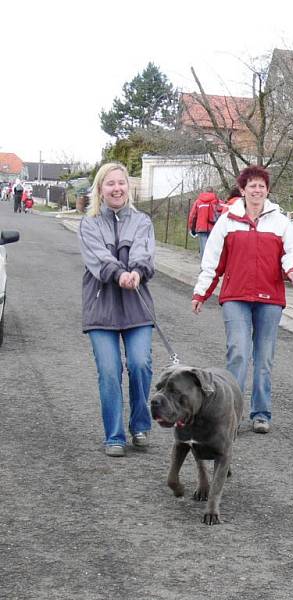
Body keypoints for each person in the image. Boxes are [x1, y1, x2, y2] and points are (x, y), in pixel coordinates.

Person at [191, 165, 293, 434]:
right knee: (238, 353)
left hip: (270, 297)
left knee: (264, 358)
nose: (257, 190)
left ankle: (261, 413)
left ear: (267, 190)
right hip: (236, 297)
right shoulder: (228, 220)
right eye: (251, 185)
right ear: (242, 190)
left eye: (261, 186)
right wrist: (200, 292)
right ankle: (232, 413)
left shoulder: (280, 221)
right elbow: (213, 261)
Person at [77, 162, 156, 457]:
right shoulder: (89, 224)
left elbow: (144, 252)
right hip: (102, 308)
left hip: (137, 306)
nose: (117, 188)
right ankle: (114, 435)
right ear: (100, 189)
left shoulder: (142, 221)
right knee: (109, 371)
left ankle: (139, 424)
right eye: (110, 184)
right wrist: (117, 273)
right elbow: (96, 257)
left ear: (128, 187)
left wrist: (136, 271)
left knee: (140, 364)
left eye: (121, 183)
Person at [187, 186, 221, 258]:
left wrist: (191, 228)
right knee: (212, 248)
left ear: (205, 192)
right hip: (213, 228)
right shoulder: (217, 201)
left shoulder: (198, 202)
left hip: (201, 228)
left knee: (203, 248)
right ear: (213, 192)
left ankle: (204, 266)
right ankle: (211, 265)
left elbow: (192, 216)